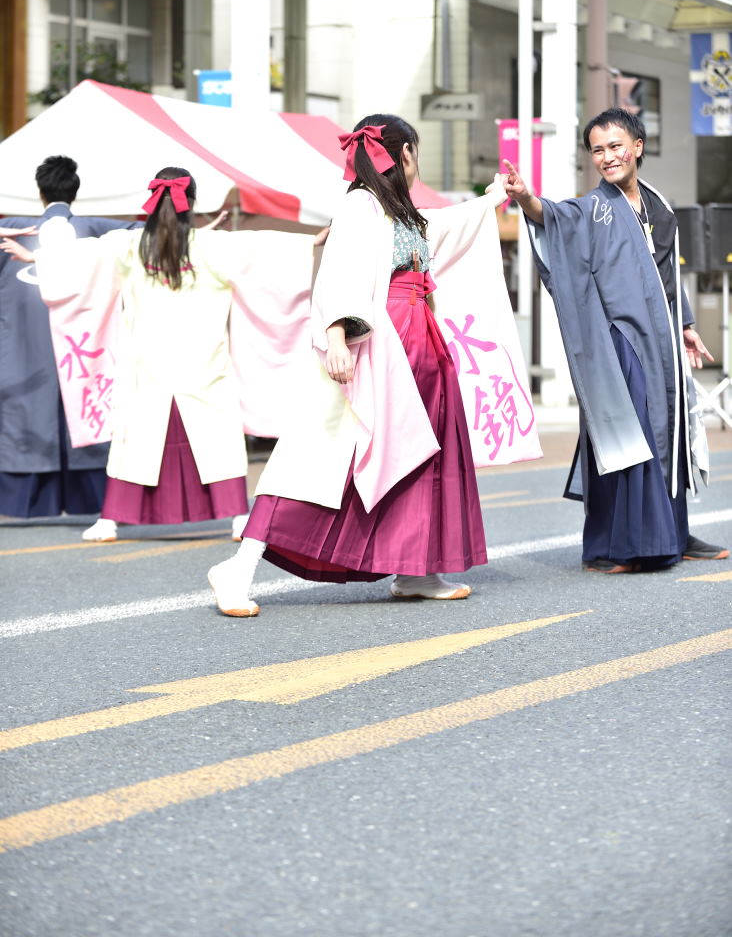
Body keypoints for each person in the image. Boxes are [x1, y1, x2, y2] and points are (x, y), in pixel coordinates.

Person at [207, 114, 511, 618]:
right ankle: (239, 565)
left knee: (418, 456)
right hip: (376, 343)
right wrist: (336, 338)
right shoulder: (361, 205)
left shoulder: (397, 210)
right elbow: (339, 272)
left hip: (413, 345)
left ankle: (415, 570)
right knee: (318, 454)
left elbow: (445, 226)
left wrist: (493, 197)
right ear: (407, 153)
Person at [502, 107, 728, 573]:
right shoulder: (592, 208)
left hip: (662, 340)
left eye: (615, 146)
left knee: (672, 435)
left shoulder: (660, 205)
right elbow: (553, 217)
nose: (607, 157)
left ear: (637, 147)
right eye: (597, 150)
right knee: (636, 435)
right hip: (621, 342)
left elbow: (669, 273)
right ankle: (629, 544)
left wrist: (685, 324)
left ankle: (674, 532)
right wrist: (526, 197)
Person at [5, 168, 253, 541]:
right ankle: (238, 517)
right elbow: (264, 249)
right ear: (193, 201)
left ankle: (111, 520)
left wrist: (35, 258)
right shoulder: (207, 245)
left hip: (146, 358)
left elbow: (81, 257)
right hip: (202, 357)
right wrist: (311, 243)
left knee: (135, 437)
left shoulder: (131, 244)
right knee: (216, 432)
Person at [0, 155, 141, 520]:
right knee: (88, 404)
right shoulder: (100, 230)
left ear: (40, 191)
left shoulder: (13, 229)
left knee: (26, 414)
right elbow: (153, 234)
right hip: (85, 344)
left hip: (22, 348)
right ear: (74, 192)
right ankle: (95, 497)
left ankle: (23, 502)